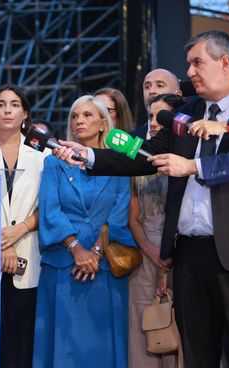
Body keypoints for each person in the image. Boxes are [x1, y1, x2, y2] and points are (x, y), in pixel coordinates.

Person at [53, 31, 229, 367]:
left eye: (197, 63)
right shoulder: (187, 111)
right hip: (189, 254)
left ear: (225, 62)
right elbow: (145, 155)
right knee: (197, 354)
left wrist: (194, 166)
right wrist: (89, 156)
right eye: (188, 64)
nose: (188, 73)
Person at [34, 95, 135, 368]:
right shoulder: (54, 163)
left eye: (88, 115)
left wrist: (96, 252)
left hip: (105, 269)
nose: (79, 120)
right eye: (75, 116)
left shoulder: (119, 162)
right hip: (63, 266)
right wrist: (76, 249)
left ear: (104, 123)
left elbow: (120, 212)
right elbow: (50, 211)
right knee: (62, 349)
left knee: (104, 351)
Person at [0, 85, 46, 368]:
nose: (7, 110)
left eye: (15, 104)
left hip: (28, 255)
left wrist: (22, 229)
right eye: (1, 104)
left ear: (25, 114)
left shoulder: (42, 156)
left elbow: (50, 206)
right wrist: (0, 242)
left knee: (22, 341)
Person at [127, 93, 184, 368]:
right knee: (143, 330)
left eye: (161, 117)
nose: (154, 122)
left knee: (178, 331)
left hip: (181, 252)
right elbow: (133, 216)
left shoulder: (187, 160)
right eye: (150, 116)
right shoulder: (140, 160)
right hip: (145, 255)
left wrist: (166, 263)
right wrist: (153, 254)